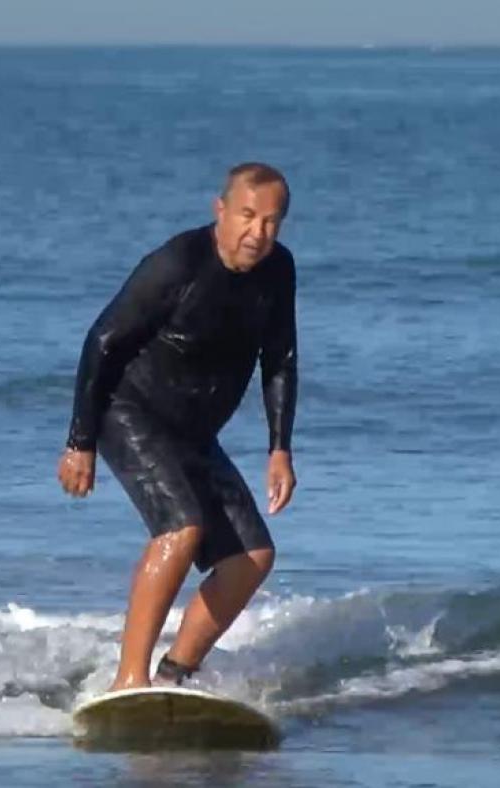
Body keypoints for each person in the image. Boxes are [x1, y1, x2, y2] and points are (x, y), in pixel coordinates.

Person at [57, 162, 299, 691]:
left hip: (193, 431)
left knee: (252, 558)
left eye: (271, 221)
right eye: (247, 216)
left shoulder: (279, 271)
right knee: (181, 529)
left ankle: (174, 677)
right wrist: (81, 442)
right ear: (221, 211)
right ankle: (128, 680)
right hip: (131, 411)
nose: (257, 232)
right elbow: (102, 340)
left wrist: (279, 449)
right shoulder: (178, 263)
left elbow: (279, 358)